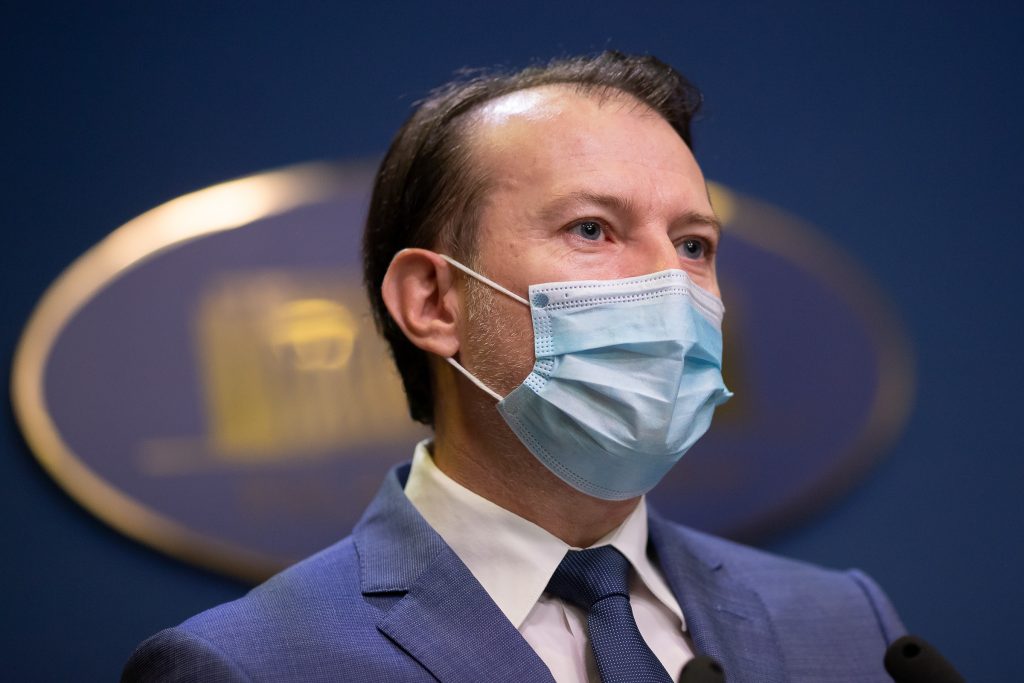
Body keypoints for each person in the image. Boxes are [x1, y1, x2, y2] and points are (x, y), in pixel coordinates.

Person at [123, 51, 905, 682]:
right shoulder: (249, 666)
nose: (671, 283)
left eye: (694, 244)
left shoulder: (848, 628)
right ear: (435, 301)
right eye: (592, 229)